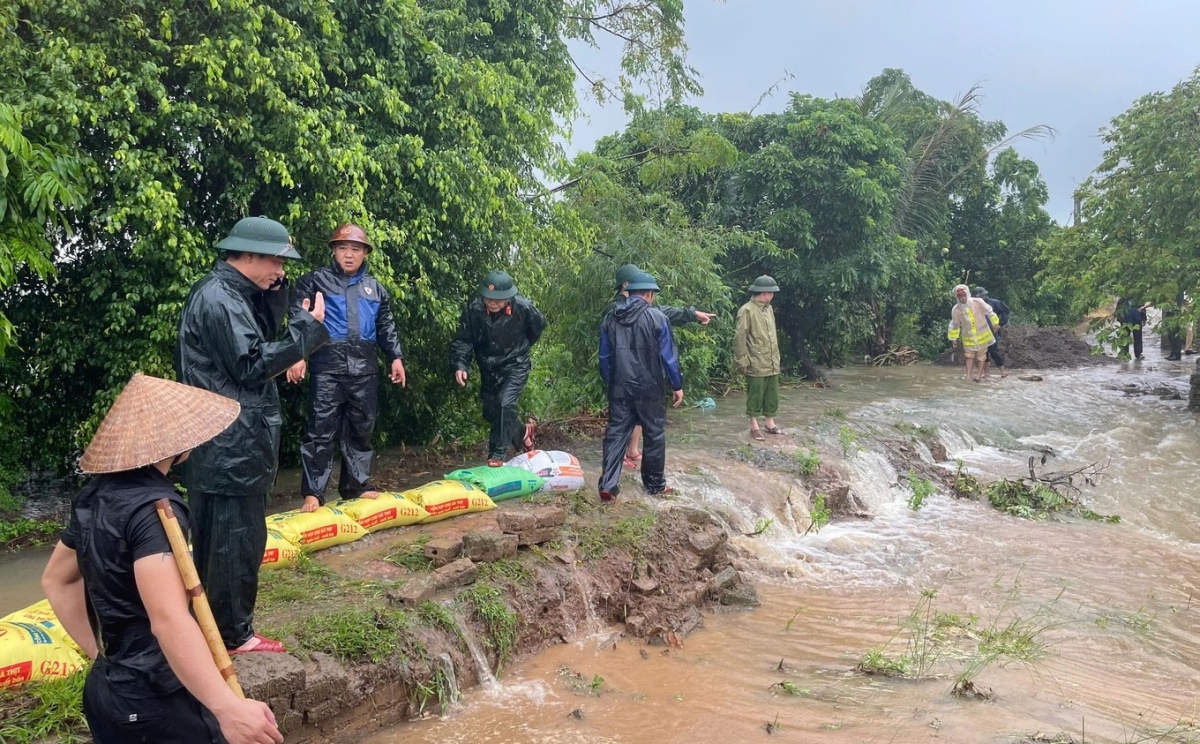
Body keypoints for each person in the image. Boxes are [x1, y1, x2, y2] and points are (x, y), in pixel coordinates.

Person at [41, 373, 284, 744]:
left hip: (106, 693)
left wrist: (100, 656)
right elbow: (168, 619)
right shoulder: (157, 509)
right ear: (179, 444)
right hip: (156, 700)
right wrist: (227, 708)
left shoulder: (93, 496)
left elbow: (56, 580)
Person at [177, 216, 329, 654]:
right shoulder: (220, 298)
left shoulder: (231, 294)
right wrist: (306, 331)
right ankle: (231, 636)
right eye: (276, 262)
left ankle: (217, 632)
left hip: (229, 442)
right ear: (246, 255)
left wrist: (278, 295)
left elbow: (258, 337)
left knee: (229, 539)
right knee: (231, 543)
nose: (281, 271)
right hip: (229, 443)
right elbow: (252, 364)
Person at [286, 224, 406, 513]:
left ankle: (356, 486)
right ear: (334, 250)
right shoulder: (317, 280)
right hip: (327, 365)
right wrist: (296, 355)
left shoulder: (375, 288)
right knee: (320, 429)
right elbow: (299, 317)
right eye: (343, 248)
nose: (349, 255)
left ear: (365, 253)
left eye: (355, 249)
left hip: (364, 368)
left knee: (361, 428)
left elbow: (385, 326)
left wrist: (396, 357)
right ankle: (314, 492)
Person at [606, 264, 715, 469]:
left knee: (634, 417)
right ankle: (623, 460)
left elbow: (662, 312)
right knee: (625, 421)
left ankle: (631, 451)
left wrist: (692, 314)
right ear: (627, 284)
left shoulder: (641, 308)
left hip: (634, 375)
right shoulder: (615, 310)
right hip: (628, 374)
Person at [597, 271, 684, 502]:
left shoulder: (610, 318)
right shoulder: (657, 318)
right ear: (649, 295)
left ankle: (608, 485)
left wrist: (611, 381)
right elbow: (669, 357)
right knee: (654, 433)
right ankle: (654, 485)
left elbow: (604, 357)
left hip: (620, 386)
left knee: (616, 433)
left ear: (629, 293)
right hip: (650, 387)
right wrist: (677, 384)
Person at [449, 269, 546, 467]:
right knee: (491, 412)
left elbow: (537, 328)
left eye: (497, 299)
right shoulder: (473, 309)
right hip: (488, 366)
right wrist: (461, 364)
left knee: (504, 403)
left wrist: (519, 348)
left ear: (508, 297)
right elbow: (463, 340)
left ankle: (497, 454)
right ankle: (522, 433)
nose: (491, 302)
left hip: (515, 364)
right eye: (488, 298)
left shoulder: (524, 308)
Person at [734, 276, 782, 440]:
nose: (772, 296)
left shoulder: (768, 309)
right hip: (755, 360)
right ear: (763, 293)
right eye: (771, 293)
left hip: (771, 359)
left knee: (772, 392)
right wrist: (742, 360)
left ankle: (770, 422)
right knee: (755, 392)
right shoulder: (746, 310)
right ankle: (754, 425)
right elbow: (740, 337)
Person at [947, 283, 998, 383]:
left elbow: (990, 312)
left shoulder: (977, 302)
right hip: (968, 337)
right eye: (960, 296)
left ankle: (978, 376)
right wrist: (954, 338)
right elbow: (955, 325)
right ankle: (968, 375)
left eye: (964, 295)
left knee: (982, 356)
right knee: (969, 356)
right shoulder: (956, 310)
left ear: (968, 294)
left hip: (983, 335)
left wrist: (995, 323)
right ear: (957, 298)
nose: (962, 298)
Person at [973, 287, 1011, 379]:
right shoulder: (974, 306)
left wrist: (1000, 324)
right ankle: (987, 373)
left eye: (984, 295)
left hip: (992, 332)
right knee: (983, 353)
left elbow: (1006, 311)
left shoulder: (995, 303)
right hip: (980, 332)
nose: (983, 297)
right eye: (981, 296)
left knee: (994, 352)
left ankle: (1003, 371)